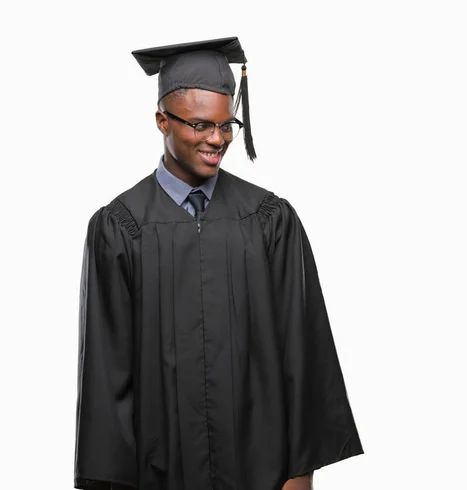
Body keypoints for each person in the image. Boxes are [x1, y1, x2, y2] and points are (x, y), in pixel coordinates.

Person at [74, 37, 363, 490]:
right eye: (200, 125)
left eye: (227, 125)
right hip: (158, 472)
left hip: (262, 469)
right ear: (161, 121)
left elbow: (301, 349)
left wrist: (299, 471)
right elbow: (107, 376)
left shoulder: (269, 219)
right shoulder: (120, 227)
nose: (217, 139)